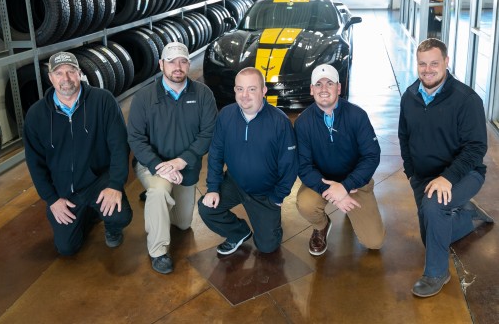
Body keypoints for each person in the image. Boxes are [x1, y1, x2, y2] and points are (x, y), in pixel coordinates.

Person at [398, 38, 494, 298]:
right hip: (424, 176)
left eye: (434, 63)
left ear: (446, 62)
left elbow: (476, 149)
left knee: (434, 206)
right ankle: (466, 215)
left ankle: (436, 273)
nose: (427, 69)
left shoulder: (466, 99)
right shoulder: (410, 96)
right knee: (430, 236)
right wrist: (412, 173)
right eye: (422, 64)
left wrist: (447, 178)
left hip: (464, 173)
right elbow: (404, 138)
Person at [23, 51, 133, 256]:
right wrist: (52, 199)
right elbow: (34, 162)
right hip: (63, 188)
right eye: (59, 73)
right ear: (50, 78)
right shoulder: (37, 115)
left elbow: (119, 146)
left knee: (120, 216)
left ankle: (111, 227)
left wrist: (115, 185)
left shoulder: (103, 101)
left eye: (71, 71)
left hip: (98, 179)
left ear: (80, 73)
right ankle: (89, 214)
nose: (66, 79)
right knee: (67, 248)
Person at [127, 41, 217, 274]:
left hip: (185, 167)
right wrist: (159, 165)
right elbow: (136, 138)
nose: (177, 66)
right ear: (161, 65)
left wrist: (181, 161)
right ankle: (158, 251)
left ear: (188, 64)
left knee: (184, 224)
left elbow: (208, 133)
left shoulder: (203, 94)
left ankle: (159, 201)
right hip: (153, 165)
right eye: (171, 61)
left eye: (183, 61)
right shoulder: (144, 97)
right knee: (158, 191)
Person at [198, 67, 298, 255]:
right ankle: (239, 232)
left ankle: (270, 225)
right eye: (239, 89)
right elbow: (216, 153)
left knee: (268, 247)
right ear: (235, 90)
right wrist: (212, 188)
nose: (245, 95)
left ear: (263, 90)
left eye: (252, 89)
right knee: (206, 208)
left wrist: (278, 197)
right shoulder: (226, 116)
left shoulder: (280, 122)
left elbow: (289, 165)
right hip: (235, 184)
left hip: (265, 191)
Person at [295, 64, 385, 257]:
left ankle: (354, 211)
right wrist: (333, 191)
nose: (324, 89)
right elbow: (303, 166)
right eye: (318, 84)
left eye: (329, 83)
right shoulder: (303, 123)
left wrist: (345, 187)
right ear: (312, 89)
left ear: (339, 88)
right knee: (305, 204)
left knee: (374, 242)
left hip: (355, 184)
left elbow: (372, 155)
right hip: (322, 183)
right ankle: (321, 225)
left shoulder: (357, 115)